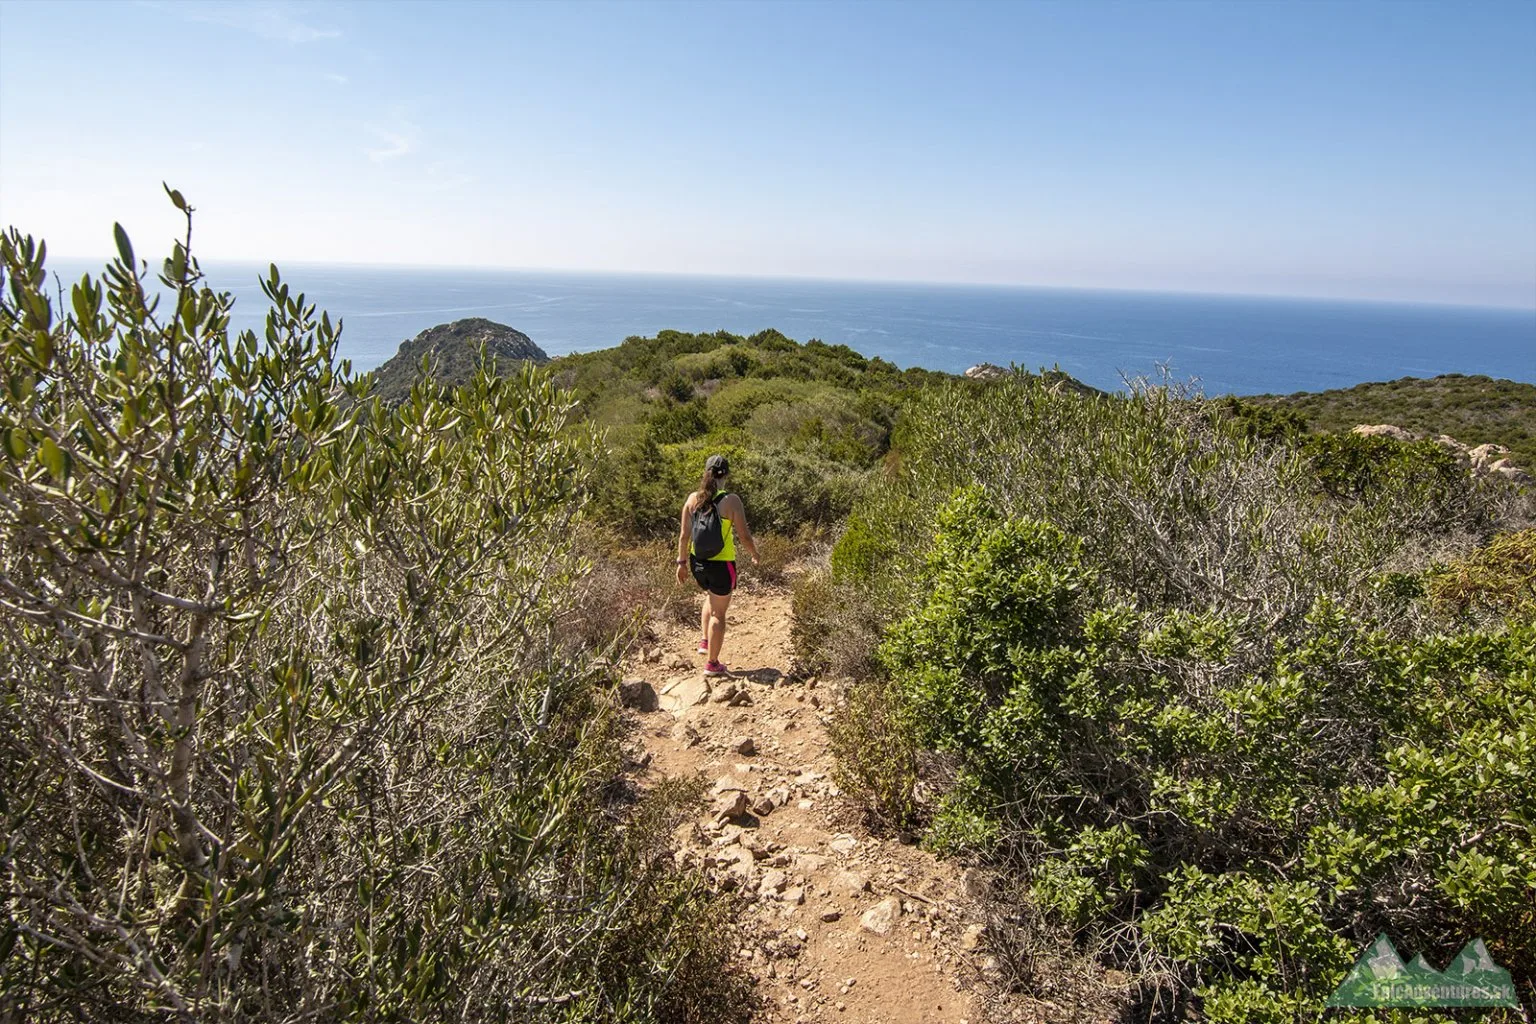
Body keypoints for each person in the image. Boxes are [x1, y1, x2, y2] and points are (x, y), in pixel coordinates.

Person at [676, 454, 759, 676]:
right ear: (727, 475)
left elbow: (684, 536)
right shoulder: (731, 501)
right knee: (719, 614)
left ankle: (705, 641)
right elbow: (744, 536)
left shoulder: (692, 499)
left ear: (706, 473)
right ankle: (712, 664)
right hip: (722, 566)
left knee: (710, 596)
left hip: (697, 564)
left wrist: (681, 563)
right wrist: (755, 554)